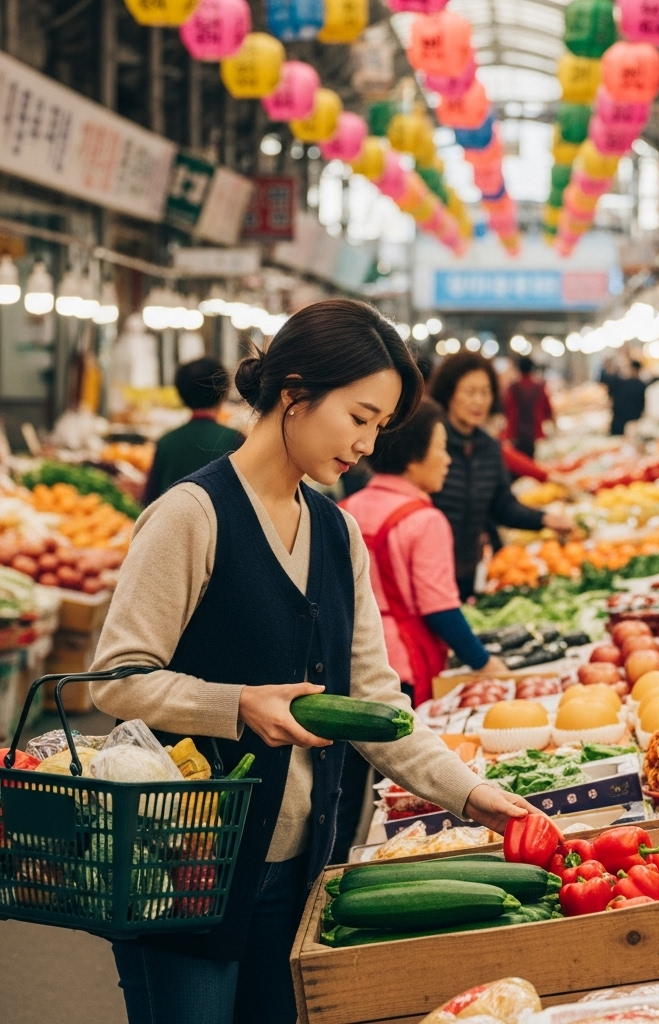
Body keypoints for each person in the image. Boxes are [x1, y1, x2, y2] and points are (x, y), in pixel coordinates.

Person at [89, 300, 533, 1024]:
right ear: (294, 393)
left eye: (379, 427)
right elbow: (117, 679)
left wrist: (469, 793)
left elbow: (374, 699)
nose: (365, 443)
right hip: (186, 866)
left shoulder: (336, 531)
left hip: (299, 868)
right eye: (359, 417)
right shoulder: (193, 515)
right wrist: (236, 705)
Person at [342, 398, 507, 708]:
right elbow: (439, 608)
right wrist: (484, 663)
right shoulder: (425, 520)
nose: (447, 460)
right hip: (405, 664)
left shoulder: (344, 510)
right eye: (441, 448)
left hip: (352, 662)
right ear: (414, 457)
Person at [429, 351, 574, 600]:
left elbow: (502, 505)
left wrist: (545, 519)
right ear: (449, 393)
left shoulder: (489, 447)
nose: (479, 401)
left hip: (468, 568)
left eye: (485, 392)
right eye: (470, 392)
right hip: (427, 567)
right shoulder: (429, 443)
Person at [142, 357, 245, 505]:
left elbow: (150, 498)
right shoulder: (235, 438)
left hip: (173, 524)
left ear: (180, 394)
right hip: (222, 526)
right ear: (224, 392)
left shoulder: (166, 441)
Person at [504, 355, 554, 458]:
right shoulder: (539, 386)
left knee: (519, 461)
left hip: (516, 431)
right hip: (534, 431)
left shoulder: (513, 387)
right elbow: (547, 408)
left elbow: (507, 408)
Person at [609, 360, 648, 436]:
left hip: (618, 422)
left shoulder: (619, 383)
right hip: (635, 423)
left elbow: (612, 401)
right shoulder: (642, 385)